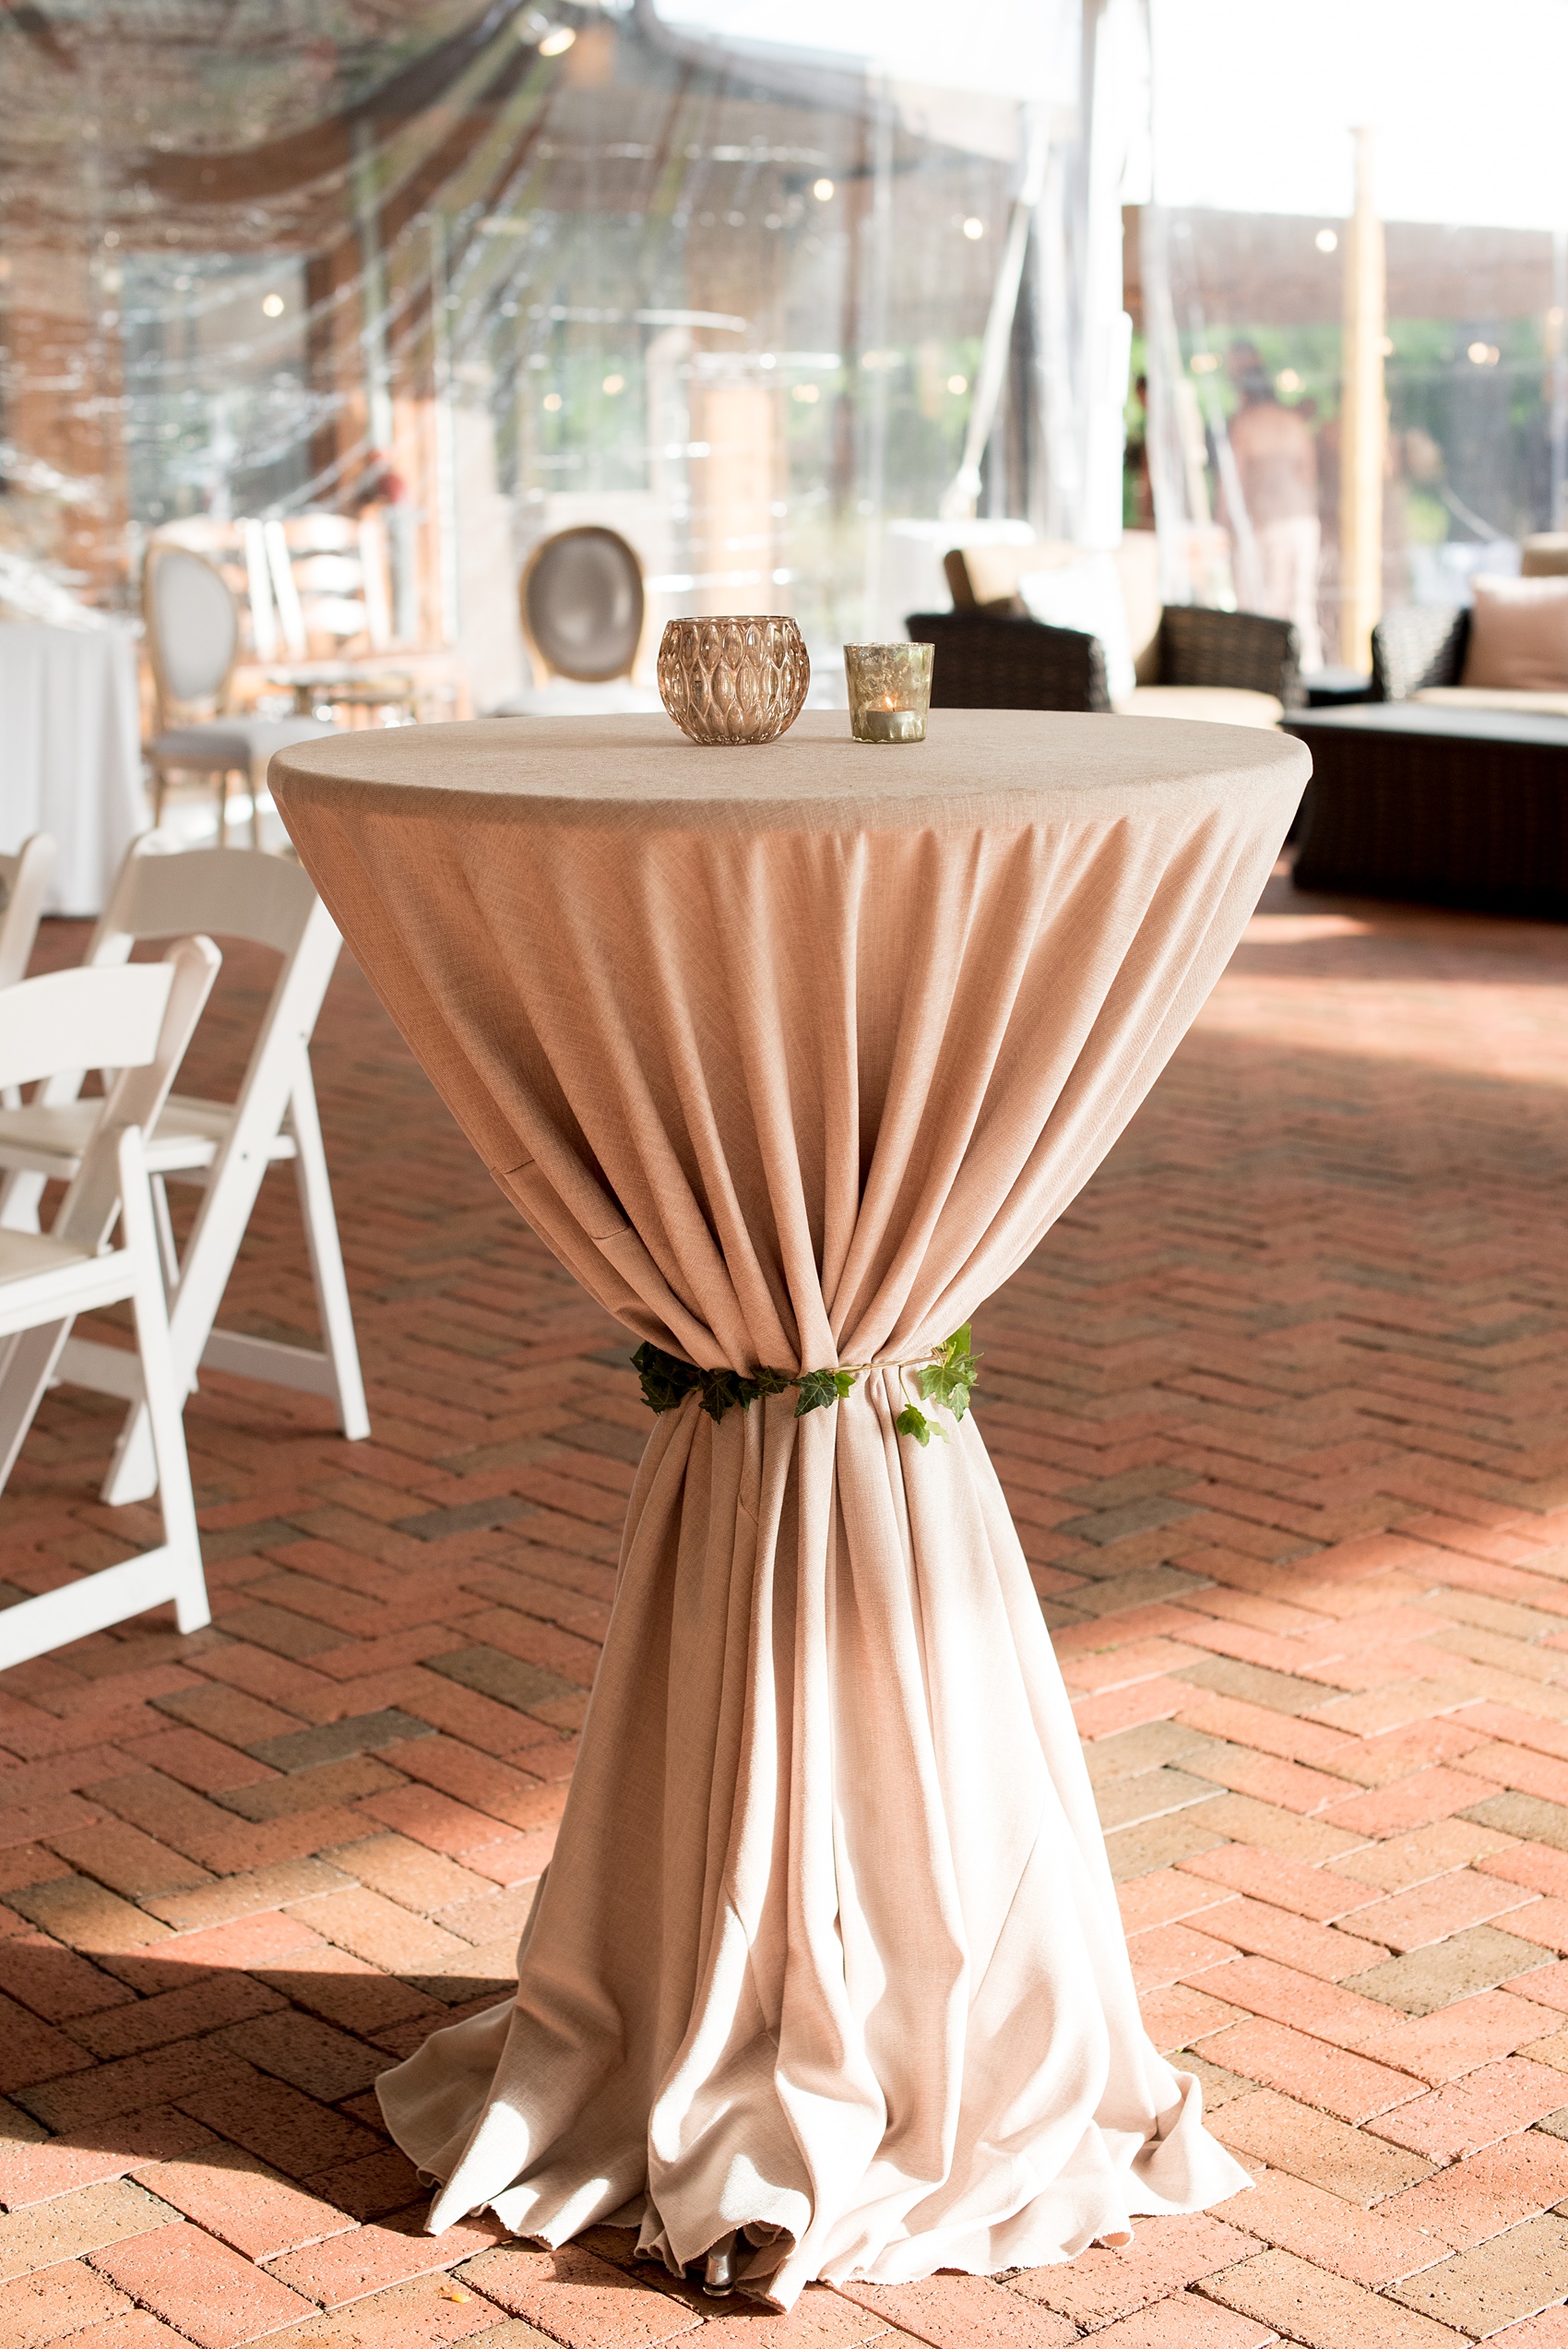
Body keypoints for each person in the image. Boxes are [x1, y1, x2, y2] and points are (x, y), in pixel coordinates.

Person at [1223, 341, 1324, 670]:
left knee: (1261, 600)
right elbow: (1308, 476)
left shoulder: (1245, 424)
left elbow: (1232, 484)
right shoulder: (1295, 424)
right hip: (1302, 523)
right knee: (1299, 600)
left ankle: (1264, 671)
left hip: (1263, 524)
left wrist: (1222, 523)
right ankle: (1305, 669)